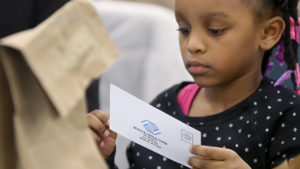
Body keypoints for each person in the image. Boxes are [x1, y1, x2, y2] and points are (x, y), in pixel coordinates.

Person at [87, 0, 300, 168]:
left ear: (268, 32)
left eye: (216, 30)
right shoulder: (163, 107)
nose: (193, 45)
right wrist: (102, 158)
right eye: (184, 30)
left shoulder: (286, 115)